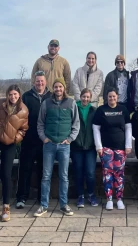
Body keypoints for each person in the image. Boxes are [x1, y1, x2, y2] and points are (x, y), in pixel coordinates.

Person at [35, 78, 80, 217]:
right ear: (53, 88)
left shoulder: (71, 103)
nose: (58, 89)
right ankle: (43, 205)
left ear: (64, 88)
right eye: (56, 87)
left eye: (60, 87)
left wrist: (70, 139)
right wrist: (44, 138)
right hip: (49, 145)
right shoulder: (46, 103)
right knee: (46, 176)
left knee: (64, 176)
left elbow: (76, 124)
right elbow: (40, 123)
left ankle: (63, 205)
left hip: (64, 146)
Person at [0, 84, 29, 222]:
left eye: (15, 94)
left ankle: (6, 207)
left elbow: (23, 129)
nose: (13, 97)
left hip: (9, 145)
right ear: (7, 95)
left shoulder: (23, 110)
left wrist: (15, 139)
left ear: (19, 95)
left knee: (6, 175)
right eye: (10, 94)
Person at [16, 71, 51, 209]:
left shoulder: (51, 97)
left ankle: (41, 198)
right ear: (34, 82)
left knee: (44, 171)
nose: (40, 83)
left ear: (45, 82)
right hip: (29, 140)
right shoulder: (26, 96)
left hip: (45, 141)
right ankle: (21, 198)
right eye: (37, 81)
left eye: (42, 81)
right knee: (25, 170)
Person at [93, 89, 132, 210]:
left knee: (119, 175)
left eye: (114, 96)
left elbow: (128, 128)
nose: (112, 99)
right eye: (110, 97)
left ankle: (119, 199)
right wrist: (98, 146)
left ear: (117, 97)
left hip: (121, 148)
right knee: (107, 174)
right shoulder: (101, 110)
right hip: (106, 148)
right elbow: (95, 129)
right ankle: (109, 199)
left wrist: (128, 145)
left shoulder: (123, 110)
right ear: (106, 97)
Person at [70, 88, 99, 207]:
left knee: (91, 172)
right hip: (77, 146)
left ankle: (91, 195)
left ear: (90, 98)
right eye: (84, 96)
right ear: (80, 97)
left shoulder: (94, 110)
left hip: (90, 147)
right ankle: (80, 196)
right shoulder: (73, 108)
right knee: (78, 172)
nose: (85, 99)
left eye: (88, 97)